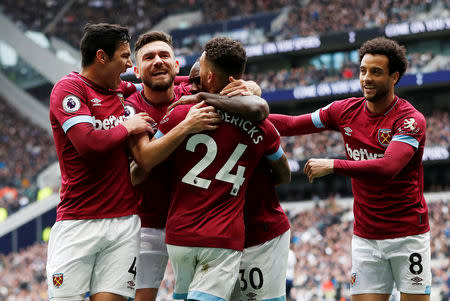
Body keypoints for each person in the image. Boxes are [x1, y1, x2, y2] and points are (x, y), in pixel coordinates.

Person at [269, 37, 431, 301]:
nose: (366, 78)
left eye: (376, 72)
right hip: (366, 237)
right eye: (363, 70)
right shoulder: (343, 111)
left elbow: (388, 167)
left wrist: (333, 165)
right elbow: (290, 124)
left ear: (394, 77)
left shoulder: (410, 120)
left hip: (408, 235)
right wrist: (246, 112)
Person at [125, 31, 267, 301]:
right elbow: (142, 164)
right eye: (149, 57)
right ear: (135, 70)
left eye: (164, 55)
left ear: (176, 65)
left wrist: (249, 87)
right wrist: (187, 125)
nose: (158, 61)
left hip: (198, 223)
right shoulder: (132, 107)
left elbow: (254, 101)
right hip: (150, 223)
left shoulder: (188, 89)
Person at [47, 23, 154, 301]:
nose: (130, 64)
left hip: (123, 223)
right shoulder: (69, 89)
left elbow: (156, 85)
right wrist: (127, 127)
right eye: (124, 56)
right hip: (78, 222)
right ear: (101, 57)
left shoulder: (119, 89)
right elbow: (89, 144)